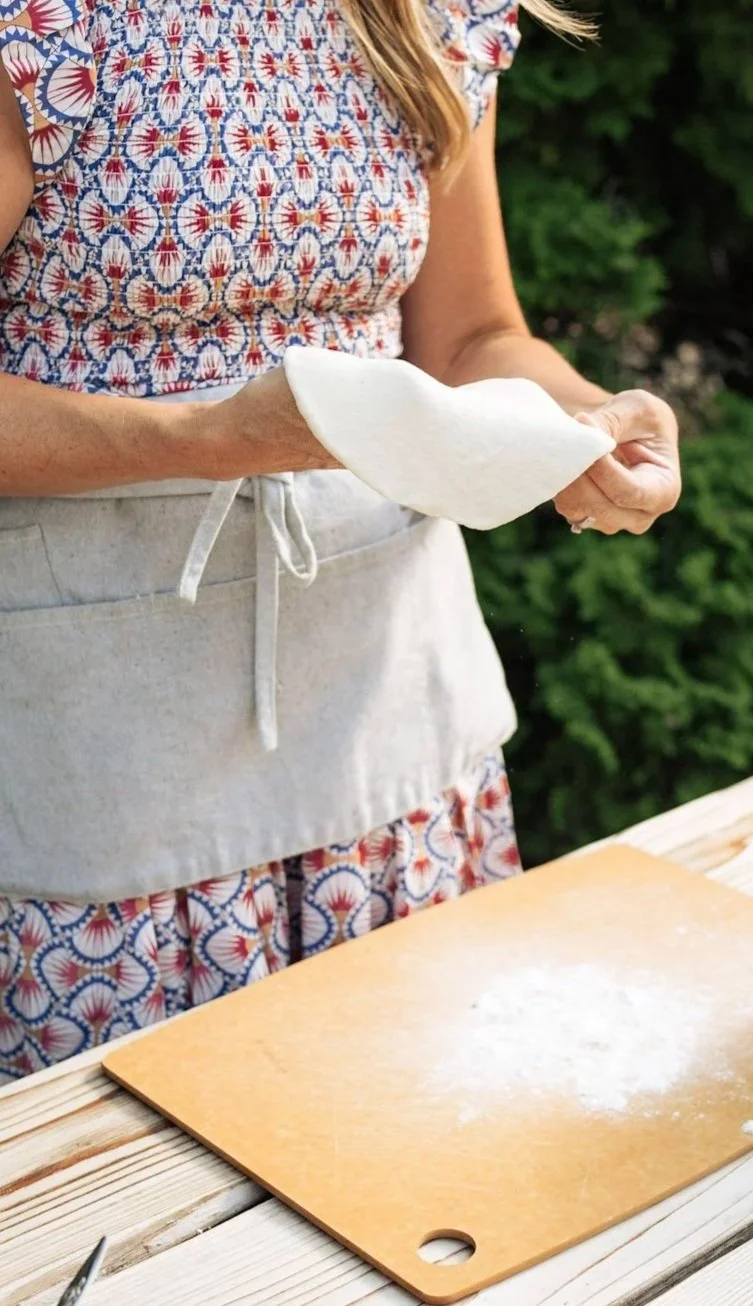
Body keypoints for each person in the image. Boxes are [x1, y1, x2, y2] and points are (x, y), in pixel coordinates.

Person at [0, 0, 680, 1082]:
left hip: (389, 739)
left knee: (412, 1123)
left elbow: (470, 335)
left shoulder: (430, 15)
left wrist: (584, 423)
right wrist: (209, 438)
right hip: (112, 761)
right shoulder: (44, 24)